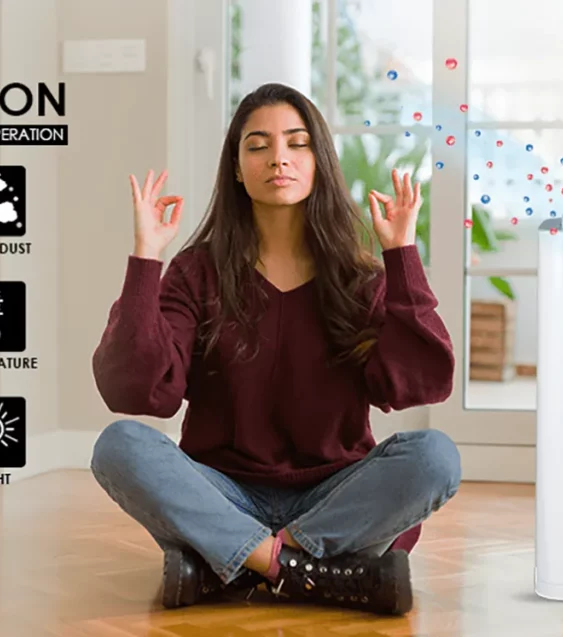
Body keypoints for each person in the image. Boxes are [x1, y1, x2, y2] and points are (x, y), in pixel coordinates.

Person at [90, 83, 460, 616]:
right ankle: (315, 573)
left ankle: (230, 566)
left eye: (296, 143)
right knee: (118, 445)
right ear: (237, 168)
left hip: (334, 496)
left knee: (434, 455)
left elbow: (419, 385)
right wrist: (147, 258)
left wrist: (401, 255)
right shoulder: (196, 272)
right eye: (258, 145)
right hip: (222, 493)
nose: (278, 158)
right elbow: (140, 389)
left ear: (319, 162)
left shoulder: (357, 278)